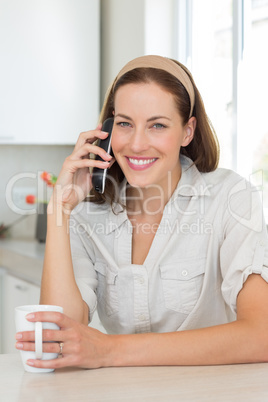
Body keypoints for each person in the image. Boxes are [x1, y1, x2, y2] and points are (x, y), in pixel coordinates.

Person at [15, 55, 268, 369]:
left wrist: (109, 350)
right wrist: (60, 209)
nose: (136, 144)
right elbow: (59, 336)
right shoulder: (86, 213)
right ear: (106, 130)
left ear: (188, 131)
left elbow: (262, 334)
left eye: (157, 125)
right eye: (124, 124)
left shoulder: (231, 197)